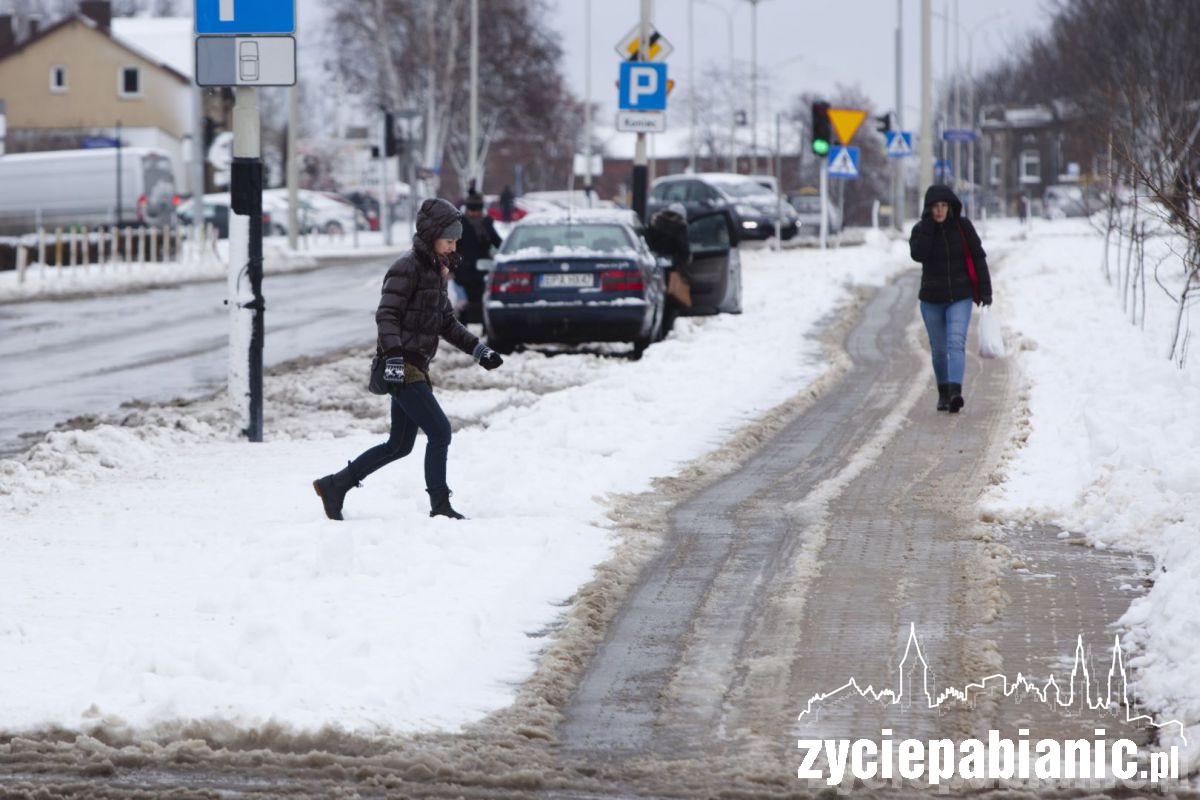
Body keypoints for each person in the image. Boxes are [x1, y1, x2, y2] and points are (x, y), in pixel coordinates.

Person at [313, 198, 505, 521]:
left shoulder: (434, 272)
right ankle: (440, 506)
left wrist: (478, 350)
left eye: (456, 240)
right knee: (440, 432)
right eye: (449, 240)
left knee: (399, 445)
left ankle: (336, 485)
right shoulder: (408, 268)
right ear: (432, 236)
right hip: (402, 367)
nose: (453, 246)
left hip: (415, 367)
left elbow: (446, 322)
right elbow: (386, 315)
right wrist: (394, 359)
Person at [909, 184, 993, 413]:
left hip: (960, 297)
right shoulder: (920, 230)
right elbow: (918, 254)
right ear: (928, 209)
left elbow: (978, 257)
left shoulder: (963, 227)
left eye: (944, 205)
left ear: (950, 207)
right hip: (931, 300)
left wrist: (986, 291)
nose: (940, 211)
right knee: (938, 349)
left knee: (956, 343)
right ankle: (943, 392)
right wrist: (928, 226)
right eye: (935, 207)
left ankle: (956, 392)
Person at [455, 190, 503, 323]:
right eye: (471, 209)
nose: (474, 213)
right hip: (463, 271)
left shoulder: (487, 223)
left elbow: (497, 242)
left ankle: (485, 329)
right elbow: (452, 247)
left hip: (483, 270)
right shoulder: (459, 224)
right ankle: (463, 333)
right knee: (464, 305)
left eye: (477, 210)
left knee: (483, 302)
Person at [644, 202, 691, 336]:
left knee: (654, 299)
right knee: (671, 302)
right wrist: (680, 262)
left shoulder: (654, 223)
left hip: (652, 268)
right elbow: (684, 250)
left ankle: (656, 329)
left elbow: (647, 243)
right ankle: (665, 329)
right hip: (672, 271)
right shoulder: (680, 227)